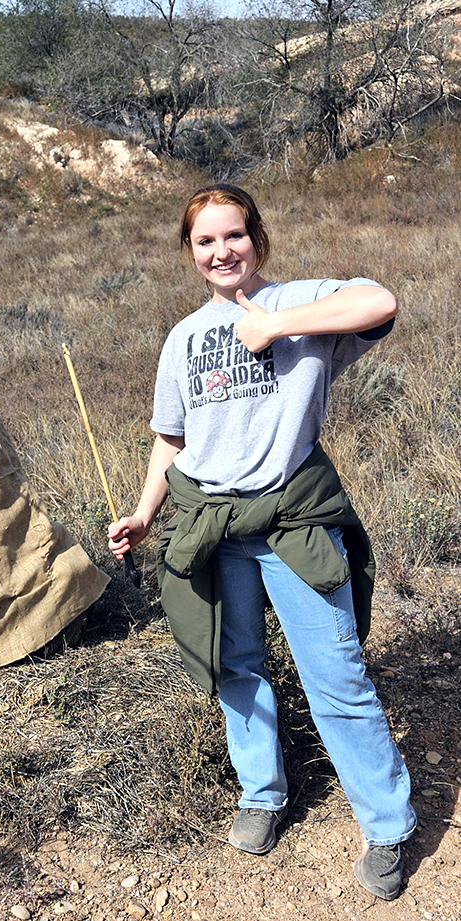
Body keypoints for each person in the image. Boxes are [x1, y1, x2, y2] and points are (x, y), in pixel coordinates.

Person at [108, 183, 415, 901]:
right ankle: (262, 793)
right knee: (234, 664)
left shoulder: (301, 303)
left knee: (335, 674)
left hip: (292, 521)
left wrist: (276, 328)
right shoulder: (182, 337)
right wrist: (144, 513)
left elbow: (381, 302)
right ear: (189, 252)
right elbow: (170, 439)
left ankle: (388, 824)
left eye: (233, 235)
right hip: (213, 524)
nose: (221, 251)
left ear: (257, 237)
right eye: (204, 241)